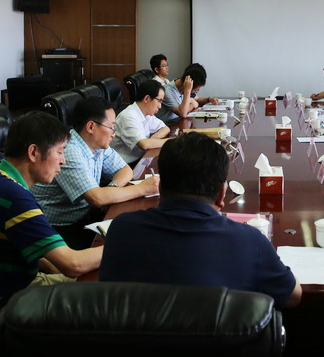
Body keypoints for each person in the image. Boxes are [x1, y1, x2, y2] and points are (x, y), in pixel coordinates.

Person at [100, 132, 302, 310]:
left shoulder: (121, 229)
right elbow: (293, 297)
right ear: (222, 194)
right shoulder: (250, 241)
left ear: (160, 188)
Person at [0, 111, 103, 336]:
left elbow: (21, 250)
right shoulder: (13, 197)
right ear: (33, 152)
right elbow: (73, 264)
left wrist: (56, 268)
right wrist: (122, 243)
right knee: (100, 307)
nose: (63, 160)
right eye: (60, 151)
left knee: (99, 282)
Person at [32, 97, 160, 250]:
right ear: (91, 127)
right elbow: (97, 199)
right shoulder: (70, 150)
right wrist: (144, 188)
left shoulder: (97, 145)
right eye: (112, 127)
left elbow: (125, 170)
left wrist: (112, 189)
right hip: (59, 229)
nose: (114, 134)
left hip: (85, 217)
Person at [111, 79, 171, 165]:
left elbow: (165, 128)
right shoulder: (128, 116)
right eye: (159, 101)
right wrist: (171, 141)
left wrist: (153, 139)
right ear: (147, 99)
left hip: (141, 159)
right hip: (125, 165)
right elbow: (144, 144)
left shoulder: (147, 113)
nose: (160, 106)